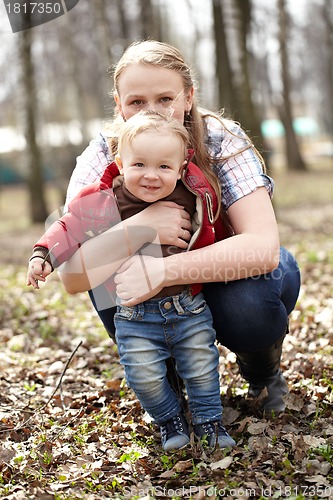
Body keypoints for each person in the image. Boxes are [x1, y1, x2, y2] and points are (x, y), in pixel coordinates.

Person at [44, 40, 301, 417]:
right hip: (148, 303)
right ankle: (167, 379)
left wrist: (163, 269)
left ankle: (261, 370)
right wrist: (142, 228)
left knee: (257, 298)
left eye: (165, 99)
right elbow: (73, 277)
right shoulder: (101, 156)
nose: (153, 112)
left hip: (221, 275)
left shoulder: (220, 139)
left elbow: (261, 248)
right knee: (102, 266)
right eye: (136, 102)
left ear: (188, 97)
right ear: (118, 105)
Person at [27, 111, 237, 451]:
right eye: (139, 165)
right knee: (143, 376)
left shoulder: (194, 192)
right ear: (121, 163)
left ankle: (209, 422)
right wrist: (43, 254)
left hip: (188, 306)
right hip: (134, 314)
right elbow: (68, 226)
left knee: (201, 367)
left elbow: (220, 229)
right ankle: (170, 420)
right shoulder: (106, 199)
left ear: (182, 169)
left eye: (164, 167)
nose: (151, 176)